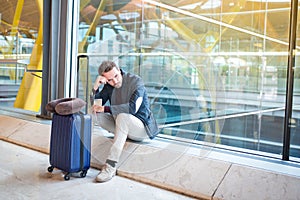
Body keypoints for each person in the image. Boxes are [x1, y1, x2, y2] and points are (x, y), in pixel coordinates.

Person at [91, 60, 159, 182]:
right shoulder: (109, 86)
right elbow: (97, 105)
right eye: (110, 80)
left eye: (116, 76)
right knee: (94, 113)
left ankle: (110, 166)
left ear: (119, 70)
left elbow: (132, 109)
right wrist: (96, 87)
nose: (115, 81)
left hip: (141, 129)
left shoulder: (136, 81)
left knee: (123, 116)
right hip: (123, 126)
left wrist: (106, 108)